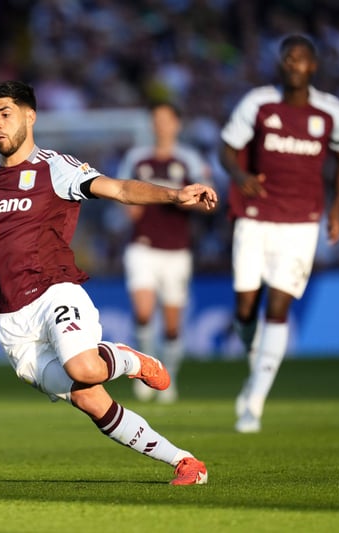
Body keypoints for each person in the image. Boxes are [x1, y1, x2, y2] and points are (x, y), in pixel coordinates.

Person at [0, 80, 217, 485]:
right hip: (12, 324)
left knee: (85, 367)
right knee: (89, 399)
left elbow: (118, 188)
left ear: (30, 116)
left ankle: (130, 359)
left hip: (53, 291)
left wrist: (174, 196)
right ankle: (186, 463)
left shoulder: (55, 167)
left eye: (5, 114)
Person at [219, 34, 339, 433]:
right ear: (281, 64)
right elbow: (227, 149)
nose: (294, 64)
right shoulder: (258, 103)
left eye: (301, 58)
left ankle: (254, 402)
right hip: (255, 217)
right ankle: (254, 364)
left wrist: (337, 209)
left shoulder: (332, 112)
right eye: (288, 58)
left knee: (278, 308)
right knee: (245, 309)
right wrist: (239, 175)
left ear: (313, 66)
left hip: (301, 223)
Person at [117, 102, 213, 403]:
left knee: (172, 325)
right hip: (142, 246)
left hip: (176, 250)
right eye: (156, 119)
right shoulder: (136, 158)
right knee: (144, 313)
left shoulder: (189, 160)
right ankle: (148, 373)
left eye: (165, 119)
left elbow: (209, 201)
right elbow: (121, 194)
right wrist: (129, 208)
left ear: (176, 124)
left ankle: (168, 375)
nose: (160, 125)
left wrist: (186, 201)